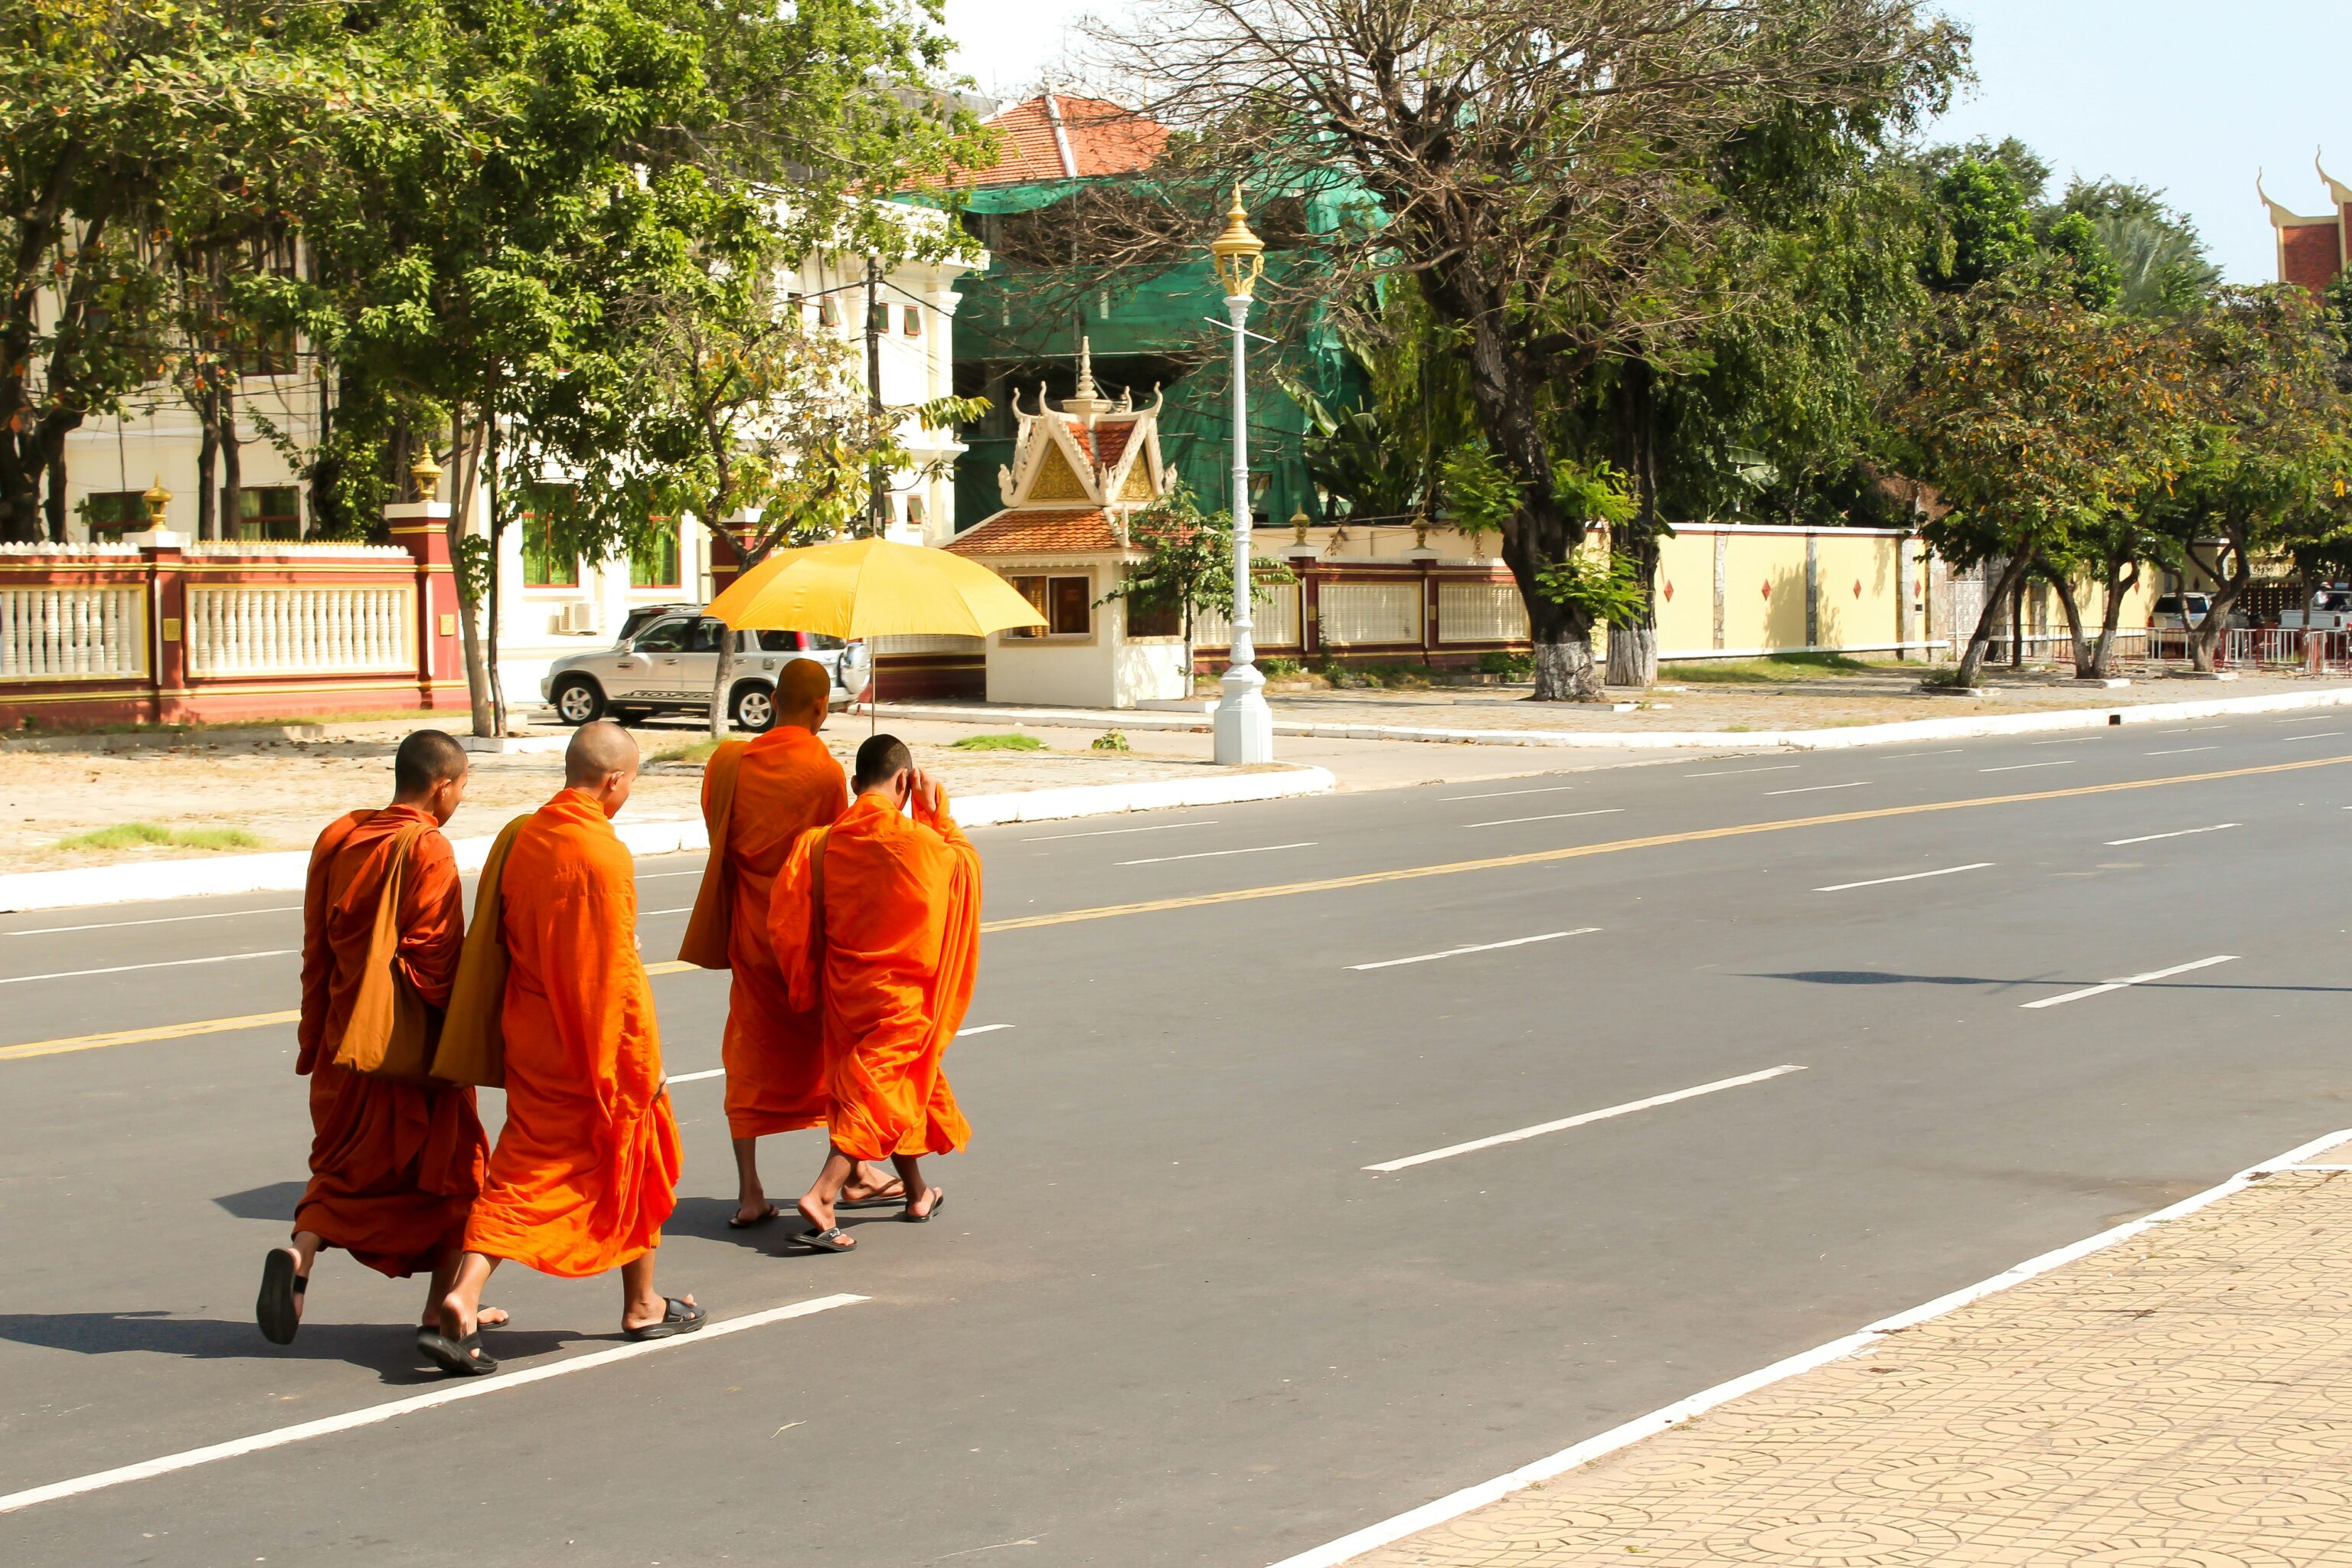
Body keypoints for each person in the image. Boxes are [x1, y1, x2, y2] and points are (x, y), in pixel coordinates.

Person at [423, 721, 697, 1376]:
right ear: (613, 780)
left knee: (520, 1174)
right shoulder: (601, 854)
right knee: (634, 1156)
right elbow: (613, 975)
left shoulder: (527, 836)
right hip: (595, 1046)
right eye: (630, 781)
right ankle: (641, 1305)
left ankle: (462, 1295)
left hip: (534, 1037)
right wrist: (641, 1062)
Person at [260, 729, 502, 1348]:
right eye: (464, 787)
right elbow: (433, 957)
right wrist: (468, 1030)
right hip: (405, 1046)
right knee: (458, 1172)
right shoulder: (428, 848)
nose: (461, 800)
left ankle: (301, 1257)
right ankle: (441, 1305)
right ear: (443, 784)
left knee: (343, 1170)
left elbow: (316, 944)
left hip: (346, 1039)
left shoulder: (341, 835)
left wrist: (314, 1035)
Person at [676, 658, 902, 1228]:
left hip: (750, 930)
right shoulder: (826, 775)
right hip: (801, 931)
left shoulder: (728, 762)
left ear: (774, 699)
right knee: (833, 1050)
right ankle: (854, 1172)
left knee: (748, 1053)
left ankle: (750, 1190)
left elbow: (718, 829)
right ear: (823, 708)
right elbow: (833, 852)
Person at [770, 733, 982, 1253]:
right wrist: (937, 814)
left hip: (846, 991)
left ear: (852, 783)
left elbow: (785, 922)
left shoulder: (820, 842)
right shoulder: (920, 842)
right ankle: (822, 1195)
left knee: (895, 1083)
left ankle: (916, 1192)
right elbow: (964, 869)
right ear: (906, 781)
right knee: (880, 1090)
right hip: (900, 997)